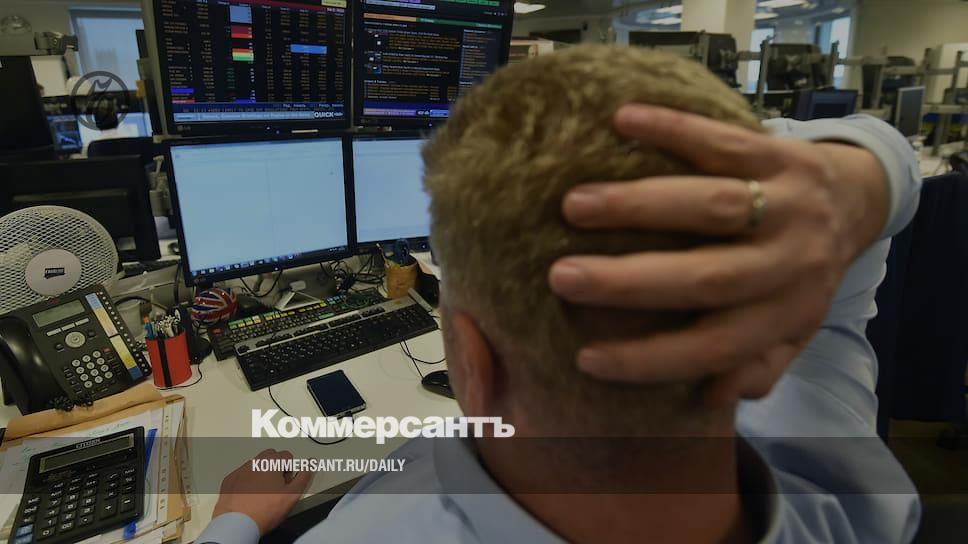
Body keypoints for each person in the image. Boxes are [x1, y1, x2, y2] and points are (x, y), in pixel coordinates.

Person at [198, 45, 922, 543]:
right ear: (767, 336)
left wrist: (233, 523)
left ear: (471, 359)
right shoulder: (840, 484)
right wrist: (864, 178)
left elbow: (847, 209)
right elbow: (871, 176)